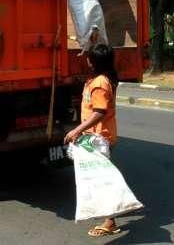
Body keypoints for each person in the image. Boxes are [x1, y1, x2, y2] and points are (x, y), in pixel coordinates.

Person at [64, 43, 121, 237]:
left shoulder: (100, 83)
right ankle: (109, 219)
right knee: (100, 181)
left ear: (94, 62)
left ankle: (110, 221)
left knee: (102, 181)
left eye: (89, 57)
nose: (86, 59)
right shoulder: (102, 79)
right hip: (100, 136)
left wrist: (76, 131)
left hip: (99, 138)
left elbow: (99, 112)